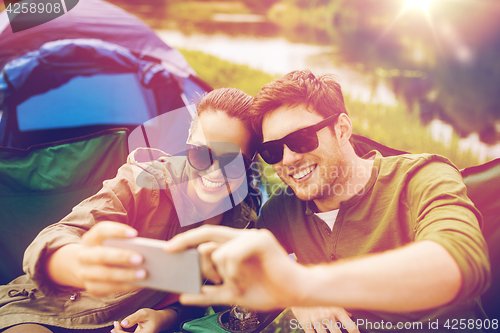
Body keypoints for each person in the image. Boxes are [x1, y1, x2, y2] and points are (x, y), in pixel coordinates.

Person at [164, 70, 492, 333]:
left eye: (301, 139)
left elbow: (460, 261)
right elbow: (227, 270)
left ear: (343, 129)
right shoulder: (283, 209)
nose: (289, 159)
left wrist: (305, 288)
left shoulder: (422, 176)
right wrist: (164, 312)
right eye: (273, 151)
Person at [0, 88, 261, 333]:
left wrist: (165, 317)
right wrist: (80, 264)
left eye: (233, 161)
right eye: (202, 154)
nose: (215, 171)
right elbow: (56, 236)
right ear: (187, 144)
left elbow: (199, 297)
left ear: (250, 165)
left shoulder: (239, 224)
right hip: (40, 312)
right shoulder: (141, 183)